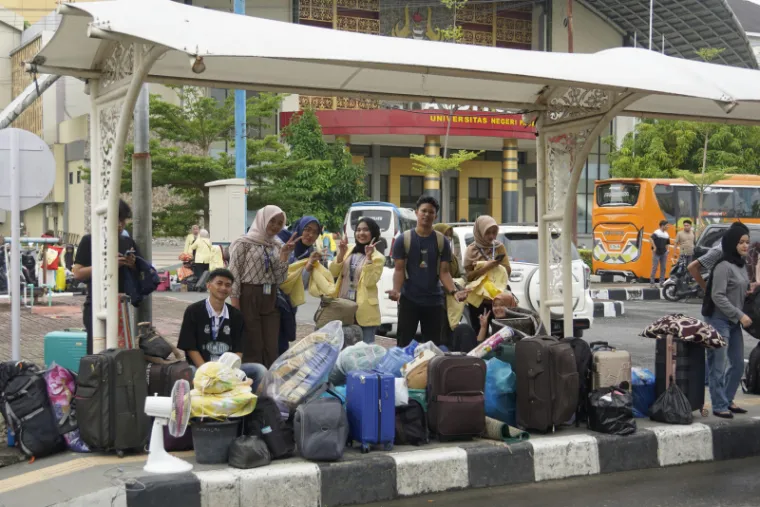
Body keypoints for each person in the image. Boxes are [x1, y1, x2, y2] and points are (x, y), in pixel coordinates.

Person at [387, 196, 470, 347]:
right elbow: (399, 270)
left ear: (435, 216)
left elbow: (444, 272)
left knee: (433, 347)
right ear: (416, 212)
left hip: (434, 301)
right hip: (409, 300)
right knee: (404, 346)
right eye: (423, 211)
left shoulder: (441, 241)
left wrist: (454, 292)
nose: (426, 214)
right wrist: (396, 291)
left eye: (431, 212)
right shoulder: (403, 240)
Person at [177, 268, 268, 392]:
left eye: (228, 285)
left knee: (259, 370)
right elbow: (190, 347)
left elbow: (239, 349)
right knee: (190, 372)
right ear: (208, 285)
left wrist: (226, 373)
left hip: (227, 370)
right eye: (219, 283)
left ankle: (247, 403)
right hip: (201, 367)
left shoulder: (236, 315)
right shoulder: (193, 311)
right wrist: (206, 371)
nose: (223, 288)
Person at [228, 205, 297, 367]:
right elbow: (234, 273)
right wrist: (235, 304)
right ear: (262, 219)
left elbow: (280, 278)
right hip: (248, 295)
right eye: (272, 221)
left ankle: (269, 377)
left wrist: (284, 255)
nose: (275, 226)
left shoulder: (277, 245)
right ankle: (253, 376)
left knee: (271, 344)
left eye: (279, 223)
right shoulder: (243, 243)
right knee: (253, 342)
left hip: (270, 296)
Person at [72, 199, 140, 354]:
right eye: (117, 220)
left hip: (122, 304)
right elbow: (78, 273)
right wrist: (108, 265)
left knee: (121, 352)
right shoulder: (89, 241)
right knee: (97, 351)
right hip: (96, 304)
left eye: (123, 220)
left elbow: (140, 272)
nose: (120, 225)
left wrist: (132, 264)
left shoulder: (127, 241)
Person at [703, 226, 752, 419]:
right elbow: (718, 296)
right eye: (741, 242)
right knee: (718, 365)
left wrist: (749, 289)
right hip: (718, 320)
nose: (745, 246)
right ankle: (719, 404)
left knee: (738, 364)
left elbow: (738, 287)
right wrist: (740, 315)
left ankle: (728, 399)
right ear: (732, 243)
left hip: (733, 321)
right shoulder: (723, 266)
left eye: (747, 242)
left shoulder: (741, 264)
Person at [331, 217, 385, 344]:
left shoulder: (378, 257)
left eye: (366, 230)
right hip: (343, 305)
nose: (361, 233)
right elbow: (333, 272)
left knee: (365, 349)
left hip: (363, 309)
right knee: (342, 346)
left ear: (373, 233)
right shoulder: (348, 249)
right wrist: (341, 253)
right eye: (358, 230)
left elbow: (369, 281)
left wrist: (369, 258)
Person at [463, 215, 512, 337]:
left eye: (494, 233)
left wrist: (498, 266)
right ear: (479, 232)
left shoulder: (499, 247)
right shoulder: (471, 250)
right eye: (488, 233)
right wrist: (487, 267)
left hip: (497, 300)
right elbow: (468, 277)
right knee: (479, 331)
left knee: (499, 333)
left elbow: (507, 271)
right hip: (478, 300)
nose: (491, 236)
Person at [688, 221, 751, 290]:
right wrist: (705, 288)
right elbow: (692, 267)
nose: (745, 244)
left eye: (747, 241)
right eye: (741, 240)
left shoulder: (738, 251)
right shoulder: (719, 251)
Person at [650, 220, 670, 288]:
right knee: (654, 267)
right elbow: (651, 239)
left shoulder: (666, 234)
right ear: (662, 226)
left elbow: (667, 243)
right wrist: (654, 247)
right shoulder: (657, 232)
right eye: (667, 225)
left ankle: (662, 282)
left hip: (663, 253)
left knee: (663, 268)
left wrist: (667, 250)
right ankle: (652, 283)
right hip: (656, 253)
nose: (668, 227)